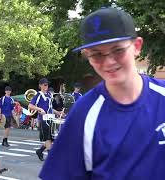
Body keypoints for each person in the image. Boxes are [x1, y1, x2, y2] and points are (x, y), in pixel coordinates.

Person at [39, 7, 165, 179]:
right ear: (87, 56)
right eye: (97, 54)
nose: (108, 62)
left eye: (118, 50)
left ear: (137, 46)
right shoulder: (83, 114)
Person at [28, 78, 62, 161]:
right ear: (40, 85)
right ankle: (51, 157)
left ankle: (40, 151)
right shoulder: (38, 95)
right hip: (43, 119)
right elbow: (30, 106)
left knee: (52, 139)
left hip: (51, 119)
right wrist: (39, 109)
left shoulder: (49, 95)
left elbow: (50, 108)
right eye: (44, 84)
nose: (46, 86)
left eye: (47, 84)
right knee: (48, 138)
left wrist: (58, 113)